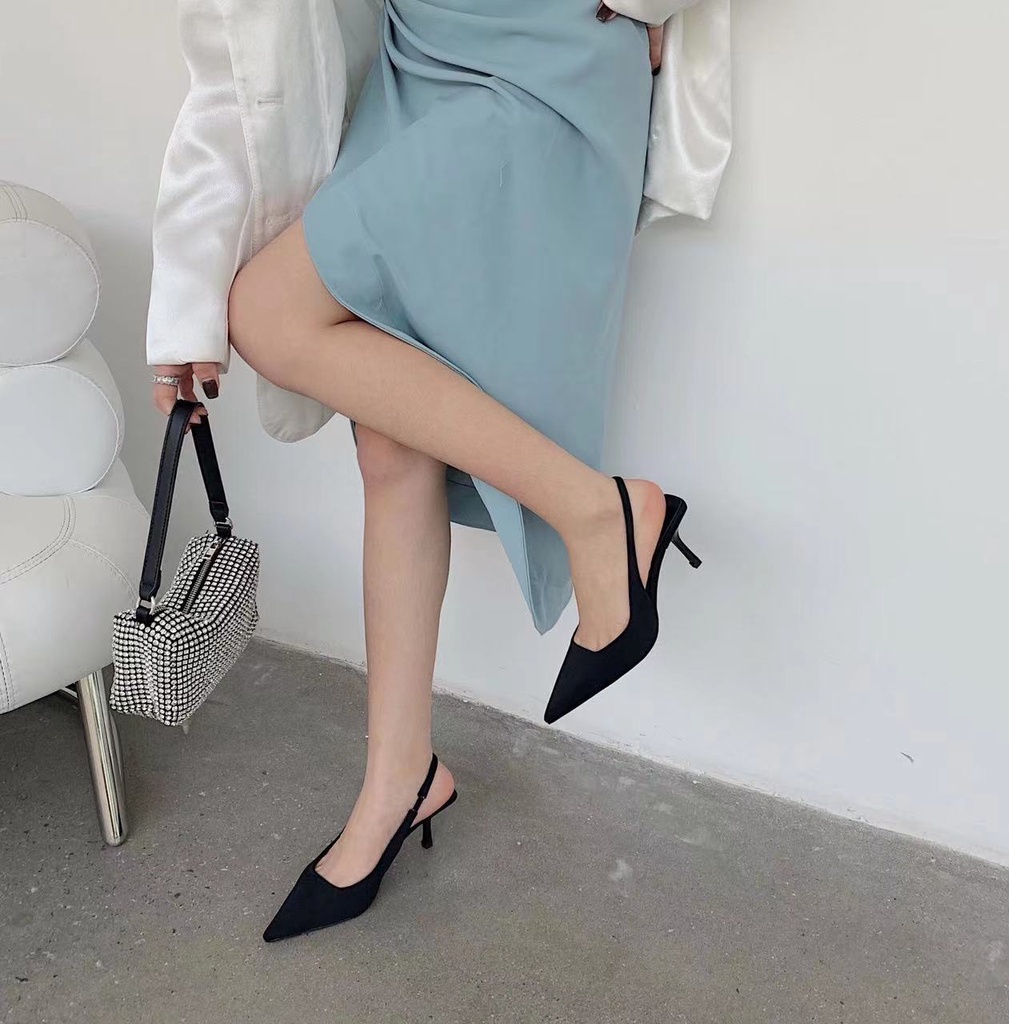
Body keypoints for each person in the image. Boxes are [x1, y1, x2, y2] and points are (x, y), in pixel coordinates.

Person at [148, 0, 730, 942]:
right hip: (411, 68)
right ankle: (401, 777)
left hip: (543, 64)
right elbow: (232, 41)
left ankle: (598, 516)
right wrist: (183, 298)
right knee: (389, 444)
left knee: (269, 313)